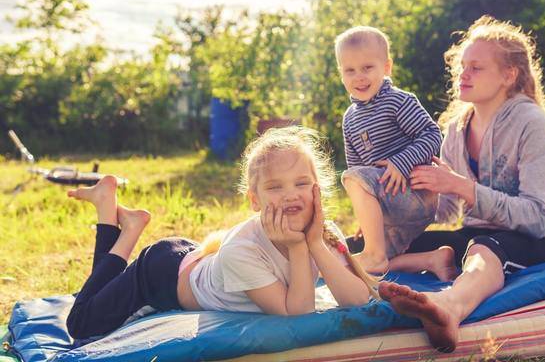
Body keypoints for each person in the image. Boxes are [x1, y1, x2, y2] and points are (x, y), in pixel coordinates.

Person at [66, 126, 376, 340]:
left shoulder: (324, 231)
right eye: (274, 186)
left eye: (301, 183)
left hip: (196, 259)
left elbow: (361, 299)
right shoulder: (241, 251)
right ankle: (121, 225)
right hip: (159, 275)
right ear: (254, 200)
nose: (291, 195)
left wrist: (315, 245)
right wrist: (298, 248)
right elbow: (298, 315)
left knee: (98, 296)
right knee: (82, 321)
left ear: (317, 187)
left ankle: (114, 209)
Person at [379, 15, 545, 353]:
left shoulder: (532, 124)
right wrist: (411, 201)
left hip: (534, 240)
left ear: (509, 75)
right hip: (477, 233)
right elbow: (449, 209)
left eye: (476, 68)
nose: (463, 74)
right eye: (462, 66)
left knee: (483, 247)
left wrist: (461, 186)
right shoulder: (455, 128)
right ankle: (431, 259)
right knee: (394, 242)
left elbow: (538, 218)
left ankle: (448, 308)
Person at [336, 26, 443, 274]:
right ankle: (433, 260)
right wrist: (367, 218)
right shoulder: (350, 119)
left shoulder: (398, 101)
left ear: (386, 67)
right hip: (389, 205)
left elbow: (432, 135)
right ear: (341, 75)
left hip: (415, 195)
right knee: (363, 267)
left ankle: (374, 254)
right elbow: (357, 168)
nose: (359, 77)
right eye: (349, 70)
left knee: (351, 178)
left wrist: (400, 163)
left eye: (367, 68)